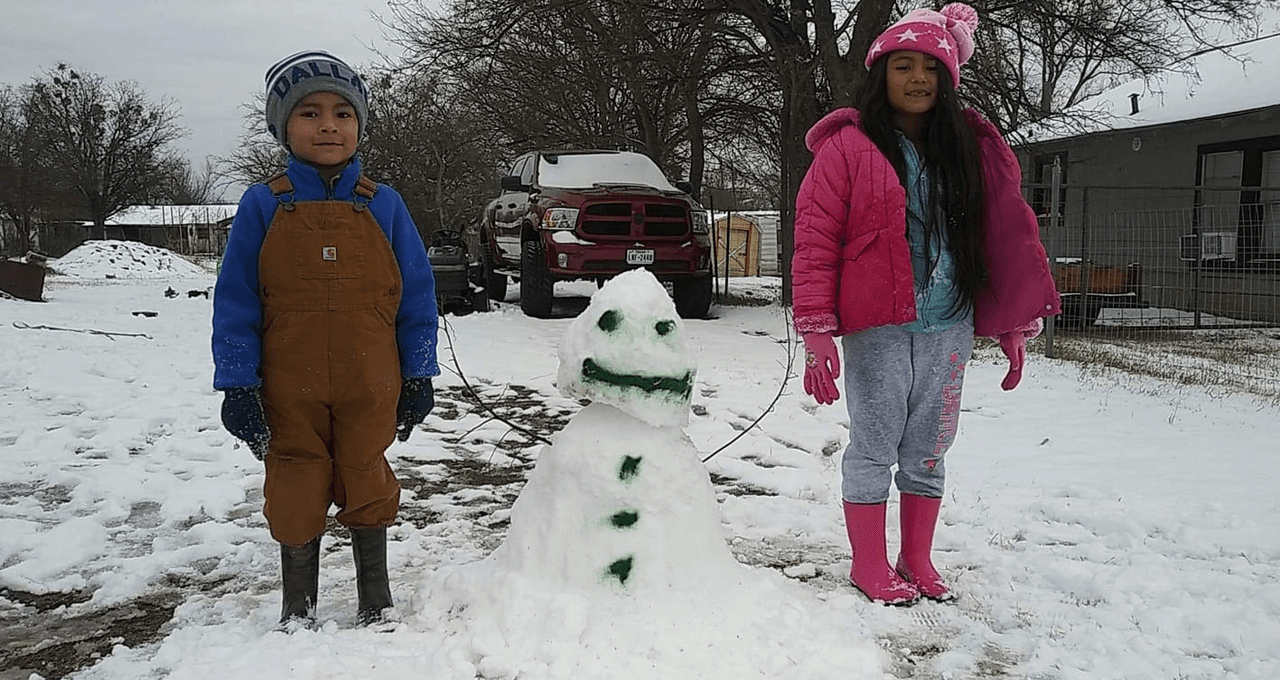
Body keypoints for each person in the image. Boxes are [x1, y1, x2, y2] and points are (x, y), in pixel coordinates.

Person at [792, 4, 1059, 606]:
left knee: (931, 445)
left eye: (930, 68)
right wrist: (815, 331)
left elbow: (1002, 240)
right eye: (902, 65)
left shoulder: (968, 149)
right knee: (875, 442)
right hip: (878, 325)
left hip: (950, 322)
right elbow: (814, 240)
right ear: (880, 74)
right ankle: (869, 563)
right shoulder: (848, 148)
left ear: (947, 78)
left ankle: (916, 558)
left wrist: (1012, 322)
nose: (916, 78)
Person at [212, 50, 439, 626]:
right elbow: (236, 298)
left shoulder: (383, 203)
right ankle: (298, 605)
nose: (328, 125)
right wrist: (238, 383)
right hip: (290, 382)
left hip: (372, 375)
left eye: (342, 112)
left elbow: (415, 296)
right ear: (283, 126)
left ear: (360, 124)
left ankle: (375, 599)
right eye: (309, 113)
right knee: (294, 478)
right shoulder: (263, 203)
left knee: (367, 473)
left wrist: (418, 372)